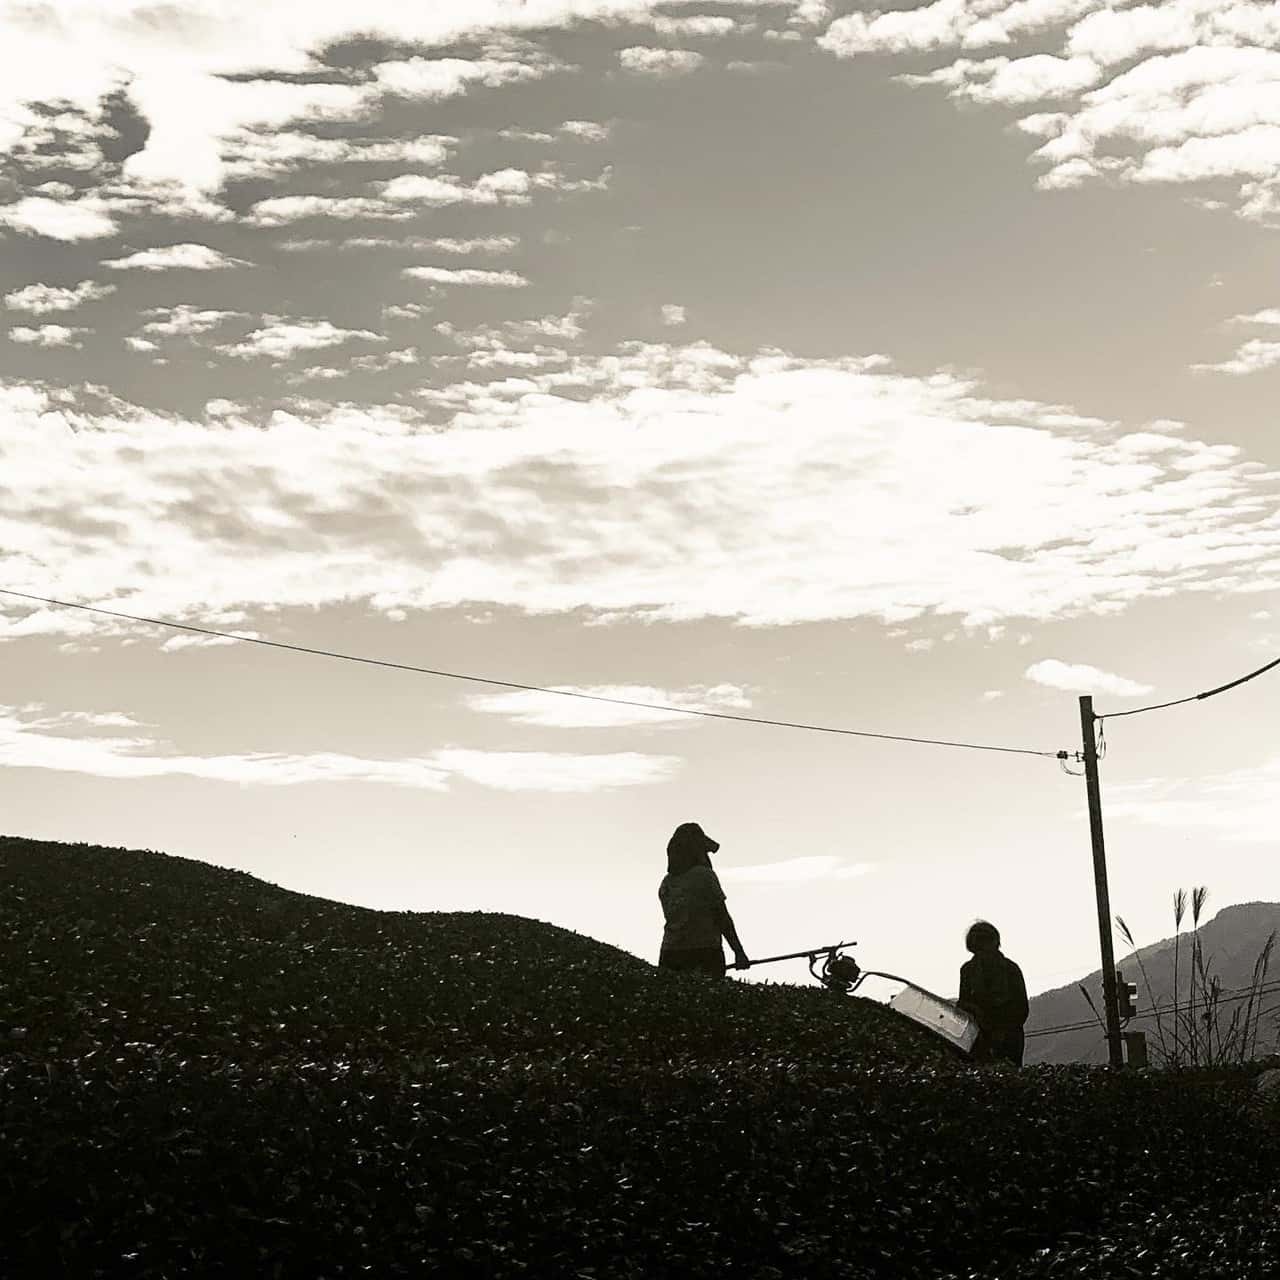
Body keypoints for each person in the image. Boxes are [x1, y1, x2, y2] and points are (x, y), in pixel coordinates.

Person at [657, 822, 749, 976]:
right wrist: (739, 952)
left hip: (670, 953)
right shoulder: (704, 876)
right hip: (705, 951)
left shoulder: (666, 883)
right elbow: (722, 917)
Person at [957, 920, 1028, 1066]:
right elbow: (963, 1004)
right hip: (978, 1038)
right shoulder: (968, 970)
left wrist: (1002, 1028)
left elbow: (1022, 1009)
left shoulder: (1010, 969)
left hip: (1008, 1037)